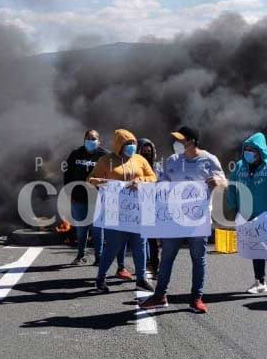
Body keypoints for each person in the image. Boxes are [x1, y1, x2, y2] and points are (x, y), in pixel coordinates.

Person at [138, 126, 226, 313]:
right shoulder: (172, 160)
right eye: (175, 139)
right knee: (167, 257)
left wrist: (219, 182)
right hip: (173, 219)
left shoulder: (209, 160)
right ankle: (160, 295)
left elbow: (223, 181)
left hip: (197, 219)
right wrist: (142, 184)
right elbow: (160, 184)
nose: (176, 143)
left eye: (180, 139)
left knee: (198, 259)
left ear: (192, 141)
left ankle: (196, 298)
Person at [225, 132, 267, 298]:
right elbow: (232, 187)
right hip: (249, 216)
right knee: (255, 248)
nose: (248, 152)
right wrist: (233, 207)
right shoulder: (240, 166)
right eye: (246, 149)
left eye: (252, 149)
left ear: (260, 150)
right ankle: (259, 282)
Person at [88, 129, 157, 293]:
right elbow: (90, 179)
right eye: (128, 144)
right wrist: (100, 181)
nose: (132, 146)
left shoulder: (139, 159)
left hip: (137, 211)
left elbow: (153, 177)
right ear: (119, 145)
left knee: (140, 246)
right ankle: (100, 278)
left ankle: (141, 279)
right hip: (115, 212)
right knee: (112, 247)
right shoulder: (106, 160)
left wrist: (140, 180)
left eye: (133, 143)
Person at [62, 130, 109, 266]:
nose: (90, 141)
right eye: (88, 138)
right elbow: (68, 175)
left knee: (97, 230)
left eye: (93, 138)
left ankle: (99, 258)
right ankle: (80, 255)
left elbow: (111, 176)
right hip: (79, 198)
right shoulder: (75, 154)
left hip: (98, 199)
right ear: (84, 140)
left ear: (98, 141)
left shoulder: (105, 155)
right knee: (81, 229)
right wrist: (68, 193)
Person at [137, 137, 162, 278]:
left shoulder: (158, 167)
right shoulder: (133, 166)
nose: (147, 154)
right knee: (140, 241)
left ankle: (154, 267)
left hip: (153, 207)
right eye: (144, 151)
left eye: (149, 151)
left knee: (153, 241)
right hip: (138, 207)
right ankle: (142, 266)